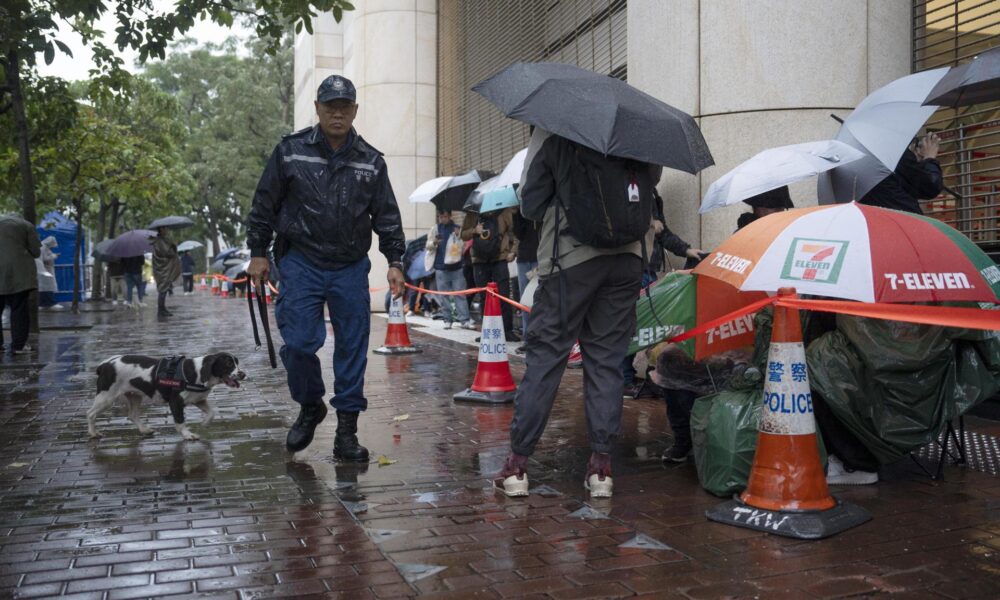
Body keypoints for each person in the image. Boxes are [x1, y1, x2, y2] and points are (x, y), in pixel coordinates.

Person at [494, 128, 660, 499]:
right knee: (605, 362)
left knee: (546, 358)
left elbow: (531, 204)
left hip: (569, 261)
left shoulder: (554, 133)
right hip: (627, 261)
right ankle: (601, 468)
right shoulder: (639, 138)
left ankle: (518, 466)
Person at [246, 74, 406, 459]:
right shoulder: (290, 151)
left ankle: (346, 433)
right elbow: (264, 204)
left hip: (350, 265)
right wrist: (258, 251)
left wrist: (395, 260)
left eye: (344, 106)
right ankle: (310, 404)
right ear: (317, 109)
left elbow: (386, 216)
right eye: (329, 106)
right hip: (301, 260)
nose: (337, 113)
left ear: (354, 110)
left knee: (352, 348)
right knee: (300, 343)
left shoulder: (371, 162)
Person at [623, 191, 704, 399]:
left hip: (648, 268)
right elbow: (620, 222)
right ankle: (622, 380)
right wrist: (649, 223)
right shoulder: (629, 188)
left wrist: (686, 250)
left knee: (645, 326)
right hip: (631, 266)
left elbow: (663, 233)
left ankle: (630, 377)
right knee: (633, 324)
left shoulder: (652, 194)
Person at [461, 207, 519, 340]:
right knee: (484, 297)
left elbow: (514, 233)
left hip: (500, 258)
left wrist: (513, 251)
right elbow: (463, 235)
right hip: (479, 260)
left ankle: (507, 330)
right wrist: (474, 230)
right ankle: (487, 331)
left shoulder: (504, 211)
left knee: (503, 295)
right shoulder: (472, 213)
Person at [860, 132, 943, 214]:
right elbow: (931, 186)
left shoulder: (863, 161)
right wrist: (930, 157)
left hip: (876, 220)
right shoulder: (895, 154)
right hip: (903, 218)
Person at [0, 214, 41, 355]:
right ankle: (18, 346)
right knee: (19, 310)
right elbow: (36, 252)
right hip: (19, 274)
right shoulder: (26, 225)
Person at [426, 209, 474, 329]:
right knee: (444, 295)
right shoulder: (435, 229)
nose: (443, 219)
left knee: (460, 294)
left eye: (445, 216)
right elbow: (428, 245)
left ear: (450, 216)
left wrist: (458, 237)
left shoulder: (457, 228)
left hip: (457, 267)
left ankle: (464, 320)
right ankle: (447, 320)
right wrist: (434, 242)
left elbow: (463, 246)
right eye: (440, 217)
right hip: (440, 267)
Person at [511, 208, 538, 337]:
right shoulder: (520, 210)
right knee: (525, 300)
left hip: (539, 257)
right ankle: (527, 337)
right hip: (523, 258)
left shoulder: (540, 206)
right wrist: (516, 214)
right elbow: (518, 234)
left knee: (539, 298)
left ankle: (539, 335)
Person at [151, 228, 181, 318]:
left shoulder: (161, 240)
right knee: (163, 289)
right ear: (160, 230)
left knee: (164, 289)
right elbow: (168, 253)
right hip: (163, 269)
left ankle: (163, 309)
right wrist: (174, 245)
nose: (167, 230)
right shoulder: (160, 241)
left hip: (163, 268)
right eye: (164, 229)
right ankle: (160, 310)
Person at [37, 236, 62, 310]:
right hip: (45, 270)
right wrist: (54, 256)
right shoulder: (43, 248)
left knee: (46, 287)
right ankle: (49, 303)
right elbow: (45, 258)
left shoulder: (44, 247)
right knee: (47, 287)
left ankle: (44, 303)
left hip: (46, 270)